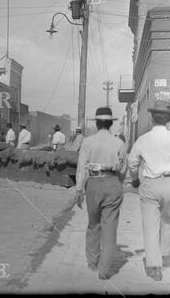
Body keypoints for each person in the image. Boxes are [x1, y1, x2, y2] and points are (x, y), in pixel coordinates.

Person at [127, 101, 170, 281]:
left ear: (151, 118)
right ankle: (164, 252)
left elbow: (132, 162)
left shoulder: (143, 140)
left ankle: (154, 266)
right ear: (169, 118)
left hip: (150, 186)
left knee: (151, 226)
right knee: (167, 221)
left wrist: (135, 179)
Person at [74, 107, 127, 280]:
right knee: (110, 227)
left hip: (94, 184)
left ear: (96, 123)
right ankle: (104, 270)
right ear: (111, 123)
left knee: (93, 224)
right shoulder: (119, 143)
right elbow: (123, 171)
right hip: (112, 183)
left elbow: (81, 168)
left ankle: (92, 260)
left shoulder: (87, 142)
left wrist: (79, 190)